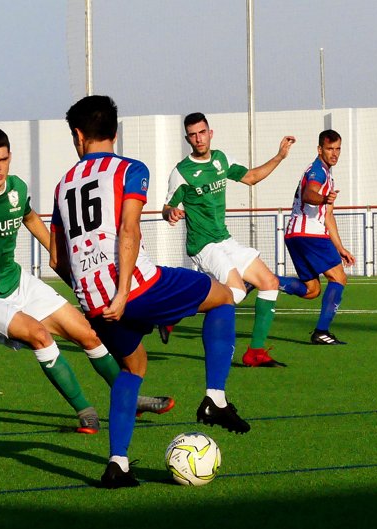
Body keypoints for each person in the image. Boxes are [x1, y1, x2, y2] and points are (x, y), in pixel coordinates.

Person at [0, 126, 173, 434]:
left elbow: (30, 218)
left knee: (88, 334)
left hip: (16, 281)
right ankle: (85, 411)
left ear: (9, 158)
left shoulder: (16, 188)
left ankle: (131, 399)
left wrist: (58, 254)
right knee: (39, 335)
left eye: (3, 160)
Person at [50, 96, 250, 489]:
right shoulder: (129, 169)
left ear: (78, 135)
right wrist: (123, 292)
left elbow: (58, 258)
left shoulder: (63, 185)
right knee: (224, 296)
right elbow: (129, 230)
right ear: (115, 131)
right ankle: (215, 399)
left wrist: (95, 293)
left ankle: (118, 465)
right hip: (135, 287)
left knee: (133, 369)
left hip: (93, 301)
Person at [162, 112, 295, 368]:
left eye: (202, 132)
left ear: (210, 133)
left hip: (224, 239)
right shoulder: (182, 172)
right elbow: (167, 206)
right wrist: (172, 213)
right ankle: (174, 313)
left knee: (269, 282)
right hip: (203, 244)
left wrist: (279, 156)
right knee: (236, 292)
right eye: (193, 135)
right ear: (187, 138)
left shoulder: (222, 160)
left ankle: (255, 352)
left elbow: (252, 177)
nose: (198, 138)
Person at [277, 129, 355, 344]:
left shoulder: (326, 172)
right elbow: (309, 194)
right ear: (320, 149)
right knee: (339, 278)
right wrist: (322, 199)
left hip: (295, 234)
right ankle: (321, 332)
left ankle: (263, 280)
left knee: (312, 290)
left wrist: (340, 248)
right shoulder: (318, 170)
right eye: (330, 149)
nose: (334, 153)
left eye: (338, 148)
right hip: (309, 233)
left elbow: (328, 215)